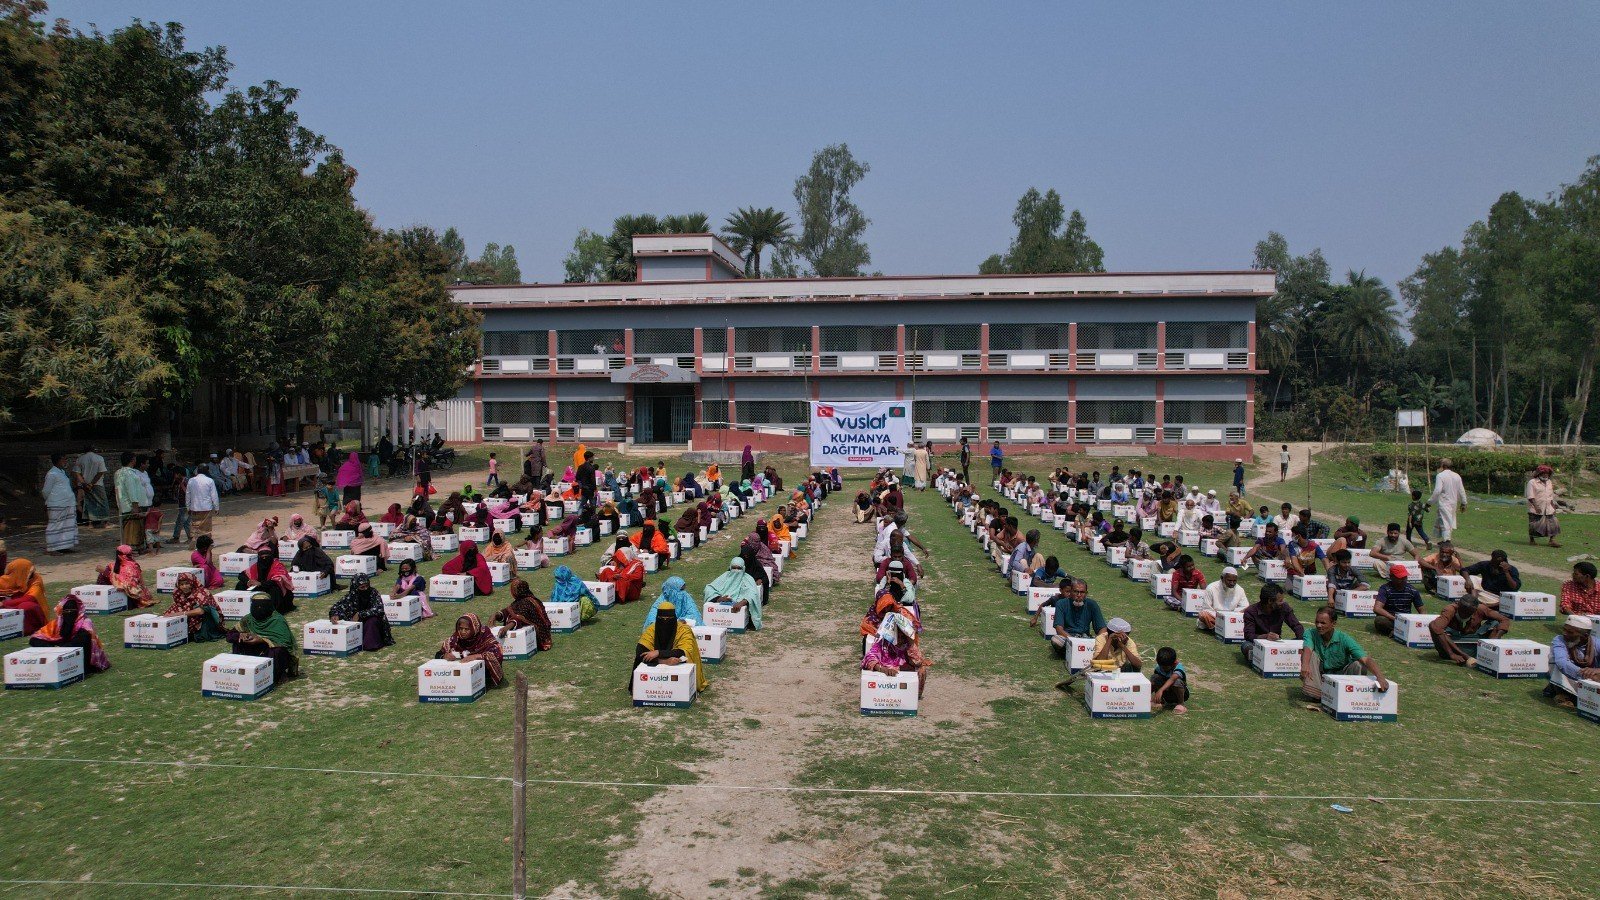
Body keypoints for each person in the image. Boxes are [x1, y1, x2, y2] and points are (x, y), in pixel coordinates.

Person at [1300, 607, 1389, 701]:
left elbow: (1366, 659)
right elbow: (1308, 649)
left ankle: (1350, 695)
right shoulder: (1310, 633)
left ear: (1333, 623)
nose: (1318, 625)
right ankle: (1316, 693)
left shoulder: (1344, 639)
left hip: (1341, 676)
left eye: (1323, 623)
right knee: (1309, 655)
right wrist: (1305, 665)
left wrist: (1380, 677)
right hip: (1320, 675)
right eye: (1317, 622)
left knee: (1359, 665)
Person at [633, 600, 708, 693]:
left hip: (678, 662)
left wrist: (658, 652)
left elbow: (684, 651)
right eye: (661, 618)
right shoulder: (652, 629)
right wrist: (663, 661)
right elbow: (640, 652)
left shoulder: (684, 630)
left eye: (668, 619)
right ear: (657, 618)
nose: (665, 622)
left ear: (674, 618)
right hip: (657, 663)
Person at [226, 592, 300, 682]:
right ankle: (243, 671)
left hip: (270, 653)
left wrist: (262, 640)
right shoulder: (248, 619)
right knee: (238, 642)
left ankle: (276, 674)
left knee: (278, 650)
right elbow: (229, 636)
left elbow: (285, 642)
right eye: (256, 605)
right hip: (253, 653)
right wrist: (241, 635)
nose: (259, 608)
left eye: (263, 605)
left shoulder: (277, 620)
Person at [27, 594, 111, 672]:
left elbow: (79, 642)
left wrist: (61, 649)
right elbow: (35, 638)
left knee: (84, 638)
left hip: (82, 658)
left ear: (78, 611)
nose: (69, 614)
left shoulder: (85, 622)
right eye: (66, 612)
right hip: (60, 652)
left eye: (72, 611)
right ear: (62, 612)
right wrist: (52, 649)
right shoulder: (58, 623)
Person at [862, 611, 927, 697]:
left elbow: (918, 661)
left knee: (921, 669)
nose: (900, 638)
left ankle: (914, 696)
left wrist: (910, 640)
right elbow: (869, 658)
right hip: (886, 671)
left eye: (902, 635)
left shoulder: (907, 643)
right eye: (897, 636)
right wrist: (883, 669)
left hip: (902, 670)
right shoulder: (882, 643)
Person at [328, 574, 394, 652]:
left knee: (372, 621)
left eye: (367, 586)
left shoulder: (373, 592)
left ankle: (371, 644)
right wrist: (334, 615)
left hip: (371, 621)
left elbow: (379, 609)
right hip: (356, 622)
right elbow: (336, 607)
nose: (366, 589)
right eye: (362, 587)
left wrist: (360, 614)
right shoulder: (351, 595)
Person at [436, 613, 505, 688]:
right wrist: (444, 655)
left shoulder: (484, 634)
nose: (463, 632)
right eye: (460, 628)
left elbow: (497, 653)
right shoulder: (456, 639)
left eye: (467, 629)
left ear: (474, 628)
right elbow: (438, 654)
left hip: (484, 674)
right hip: (462, 674)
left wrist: (477, 656)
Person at [1547, 615, 1600, 706]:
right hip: (1573, 678)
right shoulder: (1559, 640)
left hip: (1593, 680)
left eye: (1570, 632)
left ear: (1585, 635)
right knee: (1554, 660)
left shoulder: (1597, 644)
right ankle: (1563, 693)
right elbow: (1562, 663)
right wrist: (1585, 674)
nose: (1564, 633)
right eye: (1564, 629)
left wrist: (1597, 671)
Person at [162, 572, 226, 642]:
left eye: (187, 584)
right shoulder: (179, 594)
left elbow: (201, 611)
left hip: (207, 619)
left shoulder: (202, 592)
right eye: (181, 584)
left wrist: (181, 613)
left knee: (200, 634)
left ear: (192, 582)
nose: (184, 587)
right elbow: (177, 606)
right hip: (190, 616)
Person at [493, 577, 553, 652]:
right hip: (544, 634)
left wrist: (506, 628)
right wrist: (496, 615)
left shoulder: (526, 602)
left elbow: (520, 617)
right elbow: (507, 611)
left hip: (540, 636)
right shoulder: (522, 601)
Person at [703, 558, 761, 630]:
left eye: (739, 568)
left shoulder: (748, 579)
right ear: (730, 567)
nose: (736, 570)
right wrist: (719, 598)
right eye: (734, 568)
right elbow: (709, 588)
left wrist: (742, 602)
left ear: (743, 568)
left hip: (739, 604)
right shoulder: (725, 576)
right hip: (723, 603)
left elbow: (753, 593)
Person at [0, 558, 50, 635]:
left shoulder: (36, 579)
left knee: (26, 606)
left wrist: (4, 604)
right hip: (10, 606)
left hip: (28, 611)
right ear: (19, 573)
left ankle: (28, 630)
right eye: (29, 572)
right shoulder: (9, 579)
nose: (33, 574)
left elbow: (31, 598)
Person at [237, 548, 295, 614]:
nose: (264, 559)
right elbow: (241, 575)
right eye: (262, 557)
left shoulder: (277, 565)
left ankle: (270, 610)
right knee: (240, 584)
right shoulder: (256, 565)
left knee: (274, 589)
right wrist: (248, 581)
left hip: (271, 586)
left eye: (266, 557)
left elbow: (277, 580)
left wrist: (261, 583)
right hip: (258, 586)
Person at [1373, 564, 1425, 636]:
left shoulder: (1412, 590)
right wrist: (1395, 619)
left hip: (1406, 619)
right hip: (1390, 619)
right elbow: (1377, 608)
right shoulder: (1385, 589)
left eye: (1405, 577)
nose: (1403, 580)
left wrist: (1422, 622)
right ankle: (1401, 631)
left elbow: (1422, 610)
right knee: (1380, 620)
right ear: (1391, 577)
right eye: (1400, 578)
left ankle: (1398, 631)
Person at [42, 452, 79, 554]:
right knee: (55, 526)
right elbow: (46, 491)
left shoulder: (62, 472)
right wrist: (47, 501)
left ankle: (64, 546)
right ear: (58, 460)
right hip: (57, 504)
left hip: (68, 503)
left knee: (67, 525)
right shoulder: (51, 474)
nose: (65, 461)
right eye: (63, 459)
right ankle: (52, 548)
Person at [100, 544, 155, 609]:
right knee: (108, 568)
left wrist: (110, 574)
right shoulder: (134, 564)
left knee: (103, 573)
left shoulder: (127, 567)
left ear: (119, 555)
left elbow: (126, 585)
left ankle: (102, 599)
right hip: (141, 593)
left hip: (132, 598)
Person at [1429, 458, 1467, 542]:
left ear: (1443, 466)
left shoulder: (1440, 476)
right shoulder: (1456, 475)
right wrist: (1464, 502)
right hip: (1453, 503)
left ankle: (1447, 541)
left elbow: (1437, 490)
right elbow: (1461, 490)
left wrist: (1430, 502)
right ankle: (1444, 539)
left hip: (1444, 502)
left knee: (1446, 522)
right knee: (1446, 520)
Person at [1198, 566, 1248, 631]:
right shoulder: (1211, 588)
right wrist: (1221, 617)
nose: (1232, 583)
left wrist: (1232, 615)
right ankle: (1221, 629)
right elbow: (1206, 608)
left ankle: (1221, 629)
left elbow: (1245, 606)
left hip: (1232, 617)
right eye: (1229, 580)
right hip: (1216, 617)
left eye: (1234, 581)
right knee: (1203, 615)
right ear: (1222, 578)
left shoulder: (1240, 590)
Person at [113, 452, 146, 551]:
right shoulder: (129, 474)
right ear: (132, 460)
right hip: (130, 505)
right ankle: (131, 548)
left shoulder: (118, 473)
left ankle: (133, 547)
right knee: (132, 528)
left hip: (123, 505)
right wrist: (135, 505)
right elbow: (131, 490)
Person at [76, 446, 110, 530]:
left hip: (85, 483)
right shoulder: (99, 458)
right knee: (103, 502)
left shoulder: (80, 459)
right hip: (97, 483)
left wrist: (84, 484)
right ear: (94, 450)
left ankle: (90, 523)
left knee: (89, 503)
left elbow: (77, 473)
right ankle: (106, 522)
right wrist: (92, 483)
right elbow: (101, 472)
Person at [1150, 646, 1188, 714]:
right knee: (1154, 677)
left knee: (1177, 682)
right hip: (1166, 693)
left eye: (1165, 667)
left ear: (1174, 663)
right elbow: (1155, 682)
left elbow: (1172, 679)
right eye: (1160, 666)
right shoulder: (1159, 667)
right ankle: (1160, 701)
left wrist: (1161, 690)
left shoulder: (1179, 668)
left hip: (1177, 694)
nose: (1162, 668)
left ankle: (1181, 704)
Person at [186, 465, 219, 542]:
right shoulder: (209, 480)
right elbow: (214, 495)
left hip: (194, 508)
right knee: (206, 527)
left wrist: (188, 507)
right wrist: (216, 507)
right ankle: (207, 542)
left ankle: (196, 540)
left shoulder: (191, 480)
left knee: (195, 525)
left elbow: (188, 495)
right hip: (206, 508)